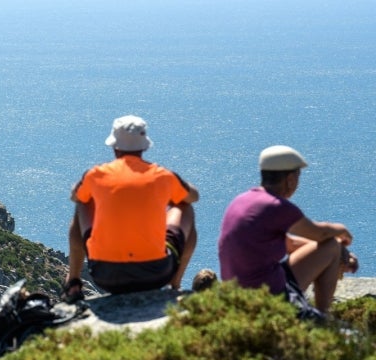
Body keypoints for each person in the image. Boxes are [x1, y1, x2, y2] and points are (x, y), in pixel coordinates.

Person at [62, 115, 200, 302]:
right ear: (144, 146)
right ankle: (174, 286)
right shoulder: (162, 175)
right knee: (184, 206)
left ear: (114, 146)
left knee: (83, 203)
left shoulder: (96, 174)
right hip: (157, 274)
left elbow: (75, 196)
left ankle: (73, 282)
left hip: (105, 275)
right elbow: (193, 196)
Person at [218, 145, 358, 313]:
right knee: (331, 244)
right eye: (298, 176)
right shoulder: (276, 206)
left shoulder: (242, 201)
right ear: (290, 179)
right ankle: (323, 317)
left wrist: (341, 253)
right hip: (267, 297)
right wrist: (341, 230)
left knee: (332, 247)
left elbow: (290, 244)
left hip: (236, 295)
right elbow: (320, 233)